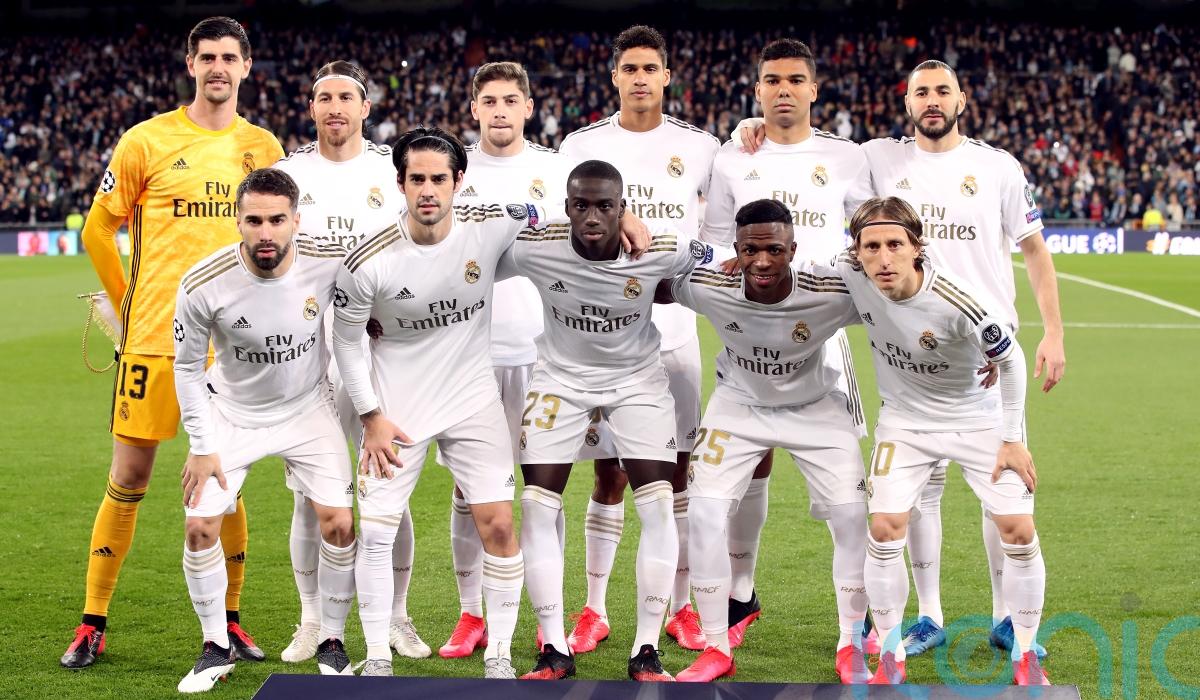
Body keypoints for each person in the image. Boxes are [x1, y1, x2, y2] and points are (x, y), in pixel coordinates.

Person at [64, 16, 283, 670]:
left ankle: (231, 621)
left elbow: (279, 238)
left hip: (233, 351)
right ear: (191, 65)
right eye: (207, 57)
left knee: (226, 484)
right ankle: (92, 622)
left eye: (229, 58)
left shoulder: (263, 147)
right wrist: (128, 304)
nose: (218, 67)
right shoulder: (146, 140)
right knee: (128, 478)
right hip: (155, 342)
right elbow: (98, 230)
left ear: (246, 67)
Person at [859, 61, 1063, 656]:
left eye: (942, 90)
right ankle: (929, 615)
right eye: (921, 91)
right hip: (912, 358)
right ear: (906, 102)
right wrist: (748, 128)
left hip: (987, 358)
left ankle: (1006, 617)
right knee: (918, 494)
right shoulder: (878, 160)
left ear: (962, 100)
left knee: (999, 490)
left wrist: (1053, 332)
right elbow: (811, 156)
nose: (932, 100)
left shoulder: (997, 167)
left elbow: (1034, 249)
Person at [331, 126, 538, 679]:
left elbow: (545, 214)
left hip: (473, 400)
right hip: (396, 409)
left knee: (498, 525)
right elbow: (346, 342)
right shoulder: (368, 260)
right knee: (377, 531)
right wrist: (371, 417)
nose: (428, 190)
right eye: (417, 179)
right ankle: (377, 656)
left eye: (438, 179)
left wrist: (628, 218)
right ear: (400, 183)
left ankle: (499, 654)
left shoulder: (489, 224)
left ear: (458, 182)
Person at [504, 159, 711, 681]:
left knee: (659, 503)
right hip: (560, 381)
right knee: (536, 506)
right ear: (566, 207)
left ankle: (646, 649)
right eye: (581, 205)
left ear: (623, 209)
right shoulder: (536, 246)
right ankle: (554, 648)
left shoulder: (660, 248)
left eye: (605, 206)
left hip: (638, 380)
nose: (592, 216)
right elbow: (468, 251)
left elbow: (721, 260)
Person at [700, 38, 872, 649]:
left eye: (795, 80)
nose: (784, 90)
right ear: (757, 90)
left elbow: (871, 233)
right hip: (753, 328)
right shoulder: (731, 157)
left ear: (813, 89)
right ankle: (740, 592)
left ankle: (861, 614)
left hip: (822, 331)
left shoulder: (848, 157)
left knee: (844, 490)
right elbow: (715, 242)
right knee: (750, 462)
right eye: (772, 80)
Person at [837, 197, 1049, 687]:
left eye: (895, 244)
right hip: (905, 423)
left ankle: (1025, 653)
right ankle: (891, 656)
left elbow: (1012, 359)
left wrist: (1012, 439)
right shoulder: (849, 273)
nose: (883, 258)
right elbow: (790, 266)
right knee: (884, 527)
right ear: (856, 251)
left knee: (1018, 530)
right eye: (871, 246)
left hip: (978, 420)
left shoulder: (958, 301)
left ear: (917, 247)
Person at [557, 24, 719, 654]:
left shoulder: (700, 147)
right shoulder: (582, 145)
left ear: (667, 76)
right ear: (615, 77)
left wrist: (749, 130)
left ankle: (681, 607)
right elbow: (565, 220)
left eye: (651, 68)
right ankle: (594, 609)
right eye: (630, 68)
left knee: (677, 474)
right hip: (604, 336)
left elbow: (722, 226)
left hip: (674, 333)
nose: (641, 78)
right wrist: (622, 215)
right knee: (609, 475)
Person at [661, 199, 869, 684]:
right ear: (735, 250)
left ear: (793, 250)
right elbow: (655, 284)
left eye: (774, 249)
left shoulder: (831, 292)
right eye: (750, 250)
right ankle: (716, 646)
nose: (761, 261)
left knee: (852, 516)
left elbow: (902, 299)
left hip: (815, 409)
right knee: (704, 513)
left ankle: (852, 642)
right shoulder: (711, 285)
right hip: (739, 407)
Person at [172, 168, 357, 692]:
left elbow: (381, 281)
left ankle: (333, 639)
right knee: (199, 527)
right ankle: (215, 648)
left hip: (307, 408)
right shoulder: (203, 283)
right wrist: (201, 446)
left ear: (297, 220)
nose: (266, 232)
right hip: (231, 414)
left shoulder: (329, 262)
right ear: (238, 222)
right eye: (254, 221)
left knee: (340, 524)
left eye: (277, 220)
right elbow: (186, 367)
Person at [273, 59, 429, 663]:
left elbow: (420, 248)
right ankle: (311, 619)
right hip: (311, 356)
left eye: (346, 97)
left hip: (380, 351)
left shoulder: (393, 170)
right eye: (325, 98)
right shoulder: (289, 174)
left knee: (389, 491)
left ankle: (397, 616)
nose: (335, 108)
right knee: (308, 494)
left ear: (366, 107)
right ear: (311, 107)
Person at [438, 61, 576, 659]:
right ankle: (471, 614)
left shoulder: (556, 169)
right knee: (468, 492)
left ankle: (550, 619)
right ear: (474, 109)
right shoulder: (453, 172)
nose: (499, 111)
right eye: (489, 101)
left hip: (545, 355)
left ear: (528, 107)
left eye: (510, 100)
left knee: (543, 492)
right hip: (468, 356)